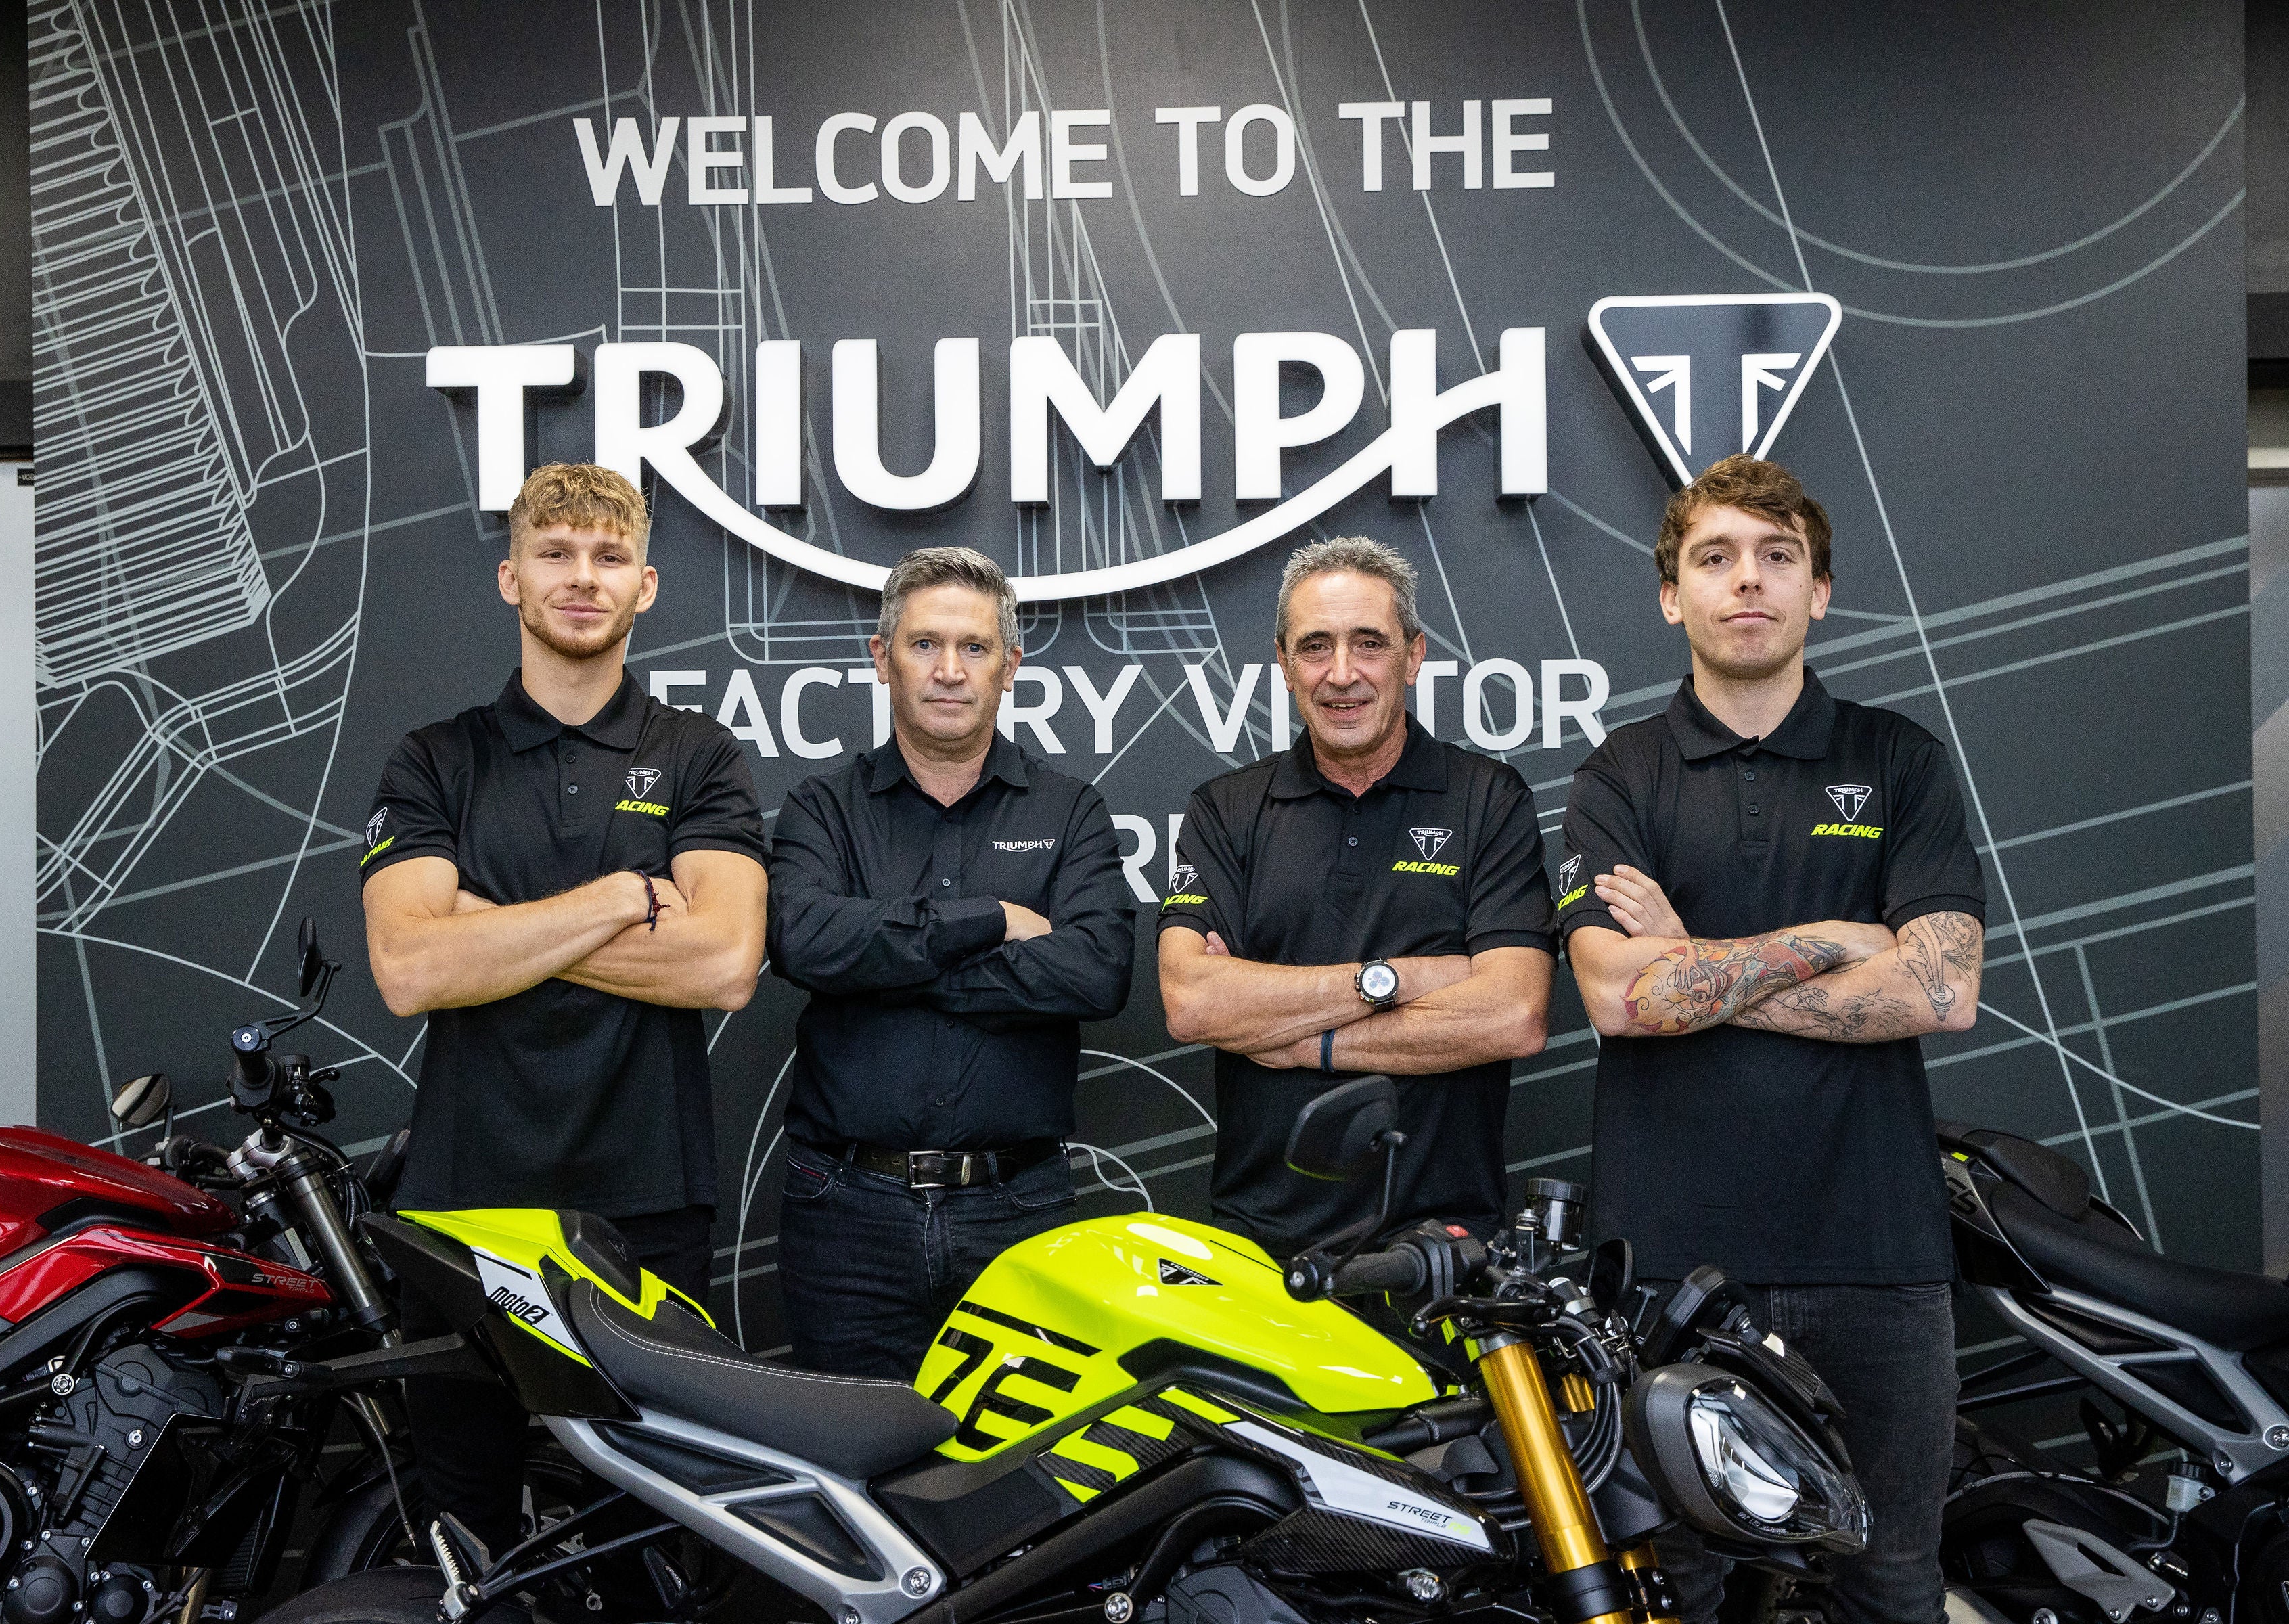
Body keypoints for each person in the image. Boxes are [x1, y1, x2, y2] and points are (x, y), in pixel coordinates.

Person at [1558, 454, 1985, 1624]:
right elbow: (1618, 1000)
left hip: (1878, 1261)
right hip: (1668, 1274)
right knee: (1672, 1596)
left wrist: (1694, 959)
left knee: (1890, 1586)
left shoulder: (1899, 760)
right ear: (1672, 596)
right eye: (1716, 558)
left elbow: (1942, 991)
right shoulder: (1617, 775)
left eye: (1777, 556)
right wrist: (1838, 938)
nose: (1747, 580)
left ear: (1820, 591)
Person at [357, 461, 768, 1550]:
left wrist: (488, 930)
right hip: (463, 1207)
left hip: (648, 1204)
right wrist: (619, 899)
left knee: (649, 1541)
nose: (583, 578)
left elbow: (725, 964)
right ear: (511, 579)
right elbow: (409, 970)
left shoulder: (699, 755)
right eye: (555, 553)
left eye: (609, 557)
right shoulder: (436, 759)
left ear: (645, 586)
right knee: (468, 1541)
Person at [767, 546, 1135, 1379]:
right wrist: (992, 920)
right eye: (924, 644)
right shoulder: (820, 809)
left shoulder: (1069, 811)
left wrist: (887, 968)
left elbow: (1098, 970)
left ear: (1010, 666)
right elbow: (805, 941)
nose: (949, 671)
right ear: (881, 657)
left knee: (1025, 1455)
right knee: (850, 1449)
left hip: (1019, 1210)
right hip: (846, 1214)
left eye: (974, 648)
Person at [1157, 537, 1556, 1263]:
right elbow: (1193, 1002)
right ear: (1284, 664)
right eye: (1316, 647)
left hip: (1441, 1248)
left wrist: (1303, 1042)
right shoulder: (1226, 809)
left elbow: (1513, 1014)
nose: (1342, 674)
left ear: (1413, 655)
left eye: (1369, 643)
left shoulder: (1489, 800)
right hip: (1260, 1244)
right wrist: (1400, 979)